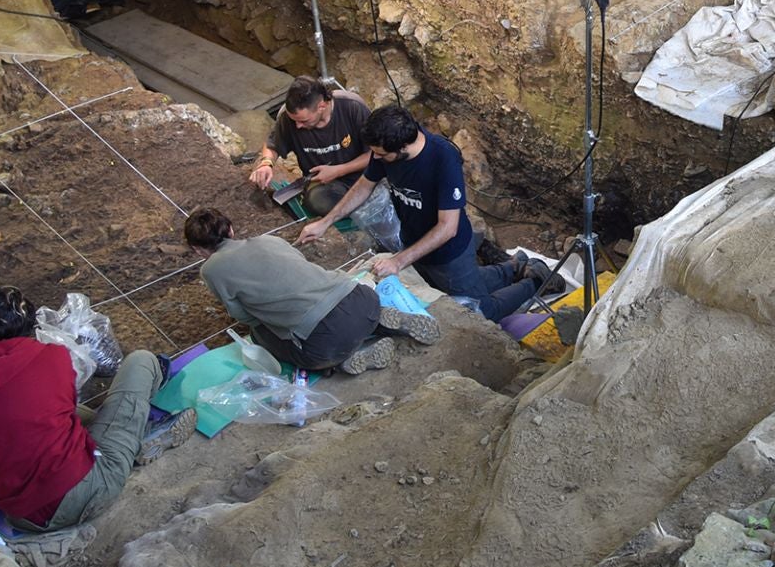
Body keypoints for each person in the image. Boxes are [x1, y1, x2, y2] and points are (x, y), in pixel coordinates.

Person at [0, 285, 187, 533]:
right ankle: (141, 435)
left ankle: (131, 439)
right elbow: (67, 411)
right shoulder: (53, 356)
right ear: (32, 322)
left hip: (25, 519)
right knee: (142, 361)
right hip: (91, 490)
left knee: (51, 419)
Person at [297, 106, 544, 322]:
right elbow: (364, 185)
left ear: (403, 147)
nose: (377, 159)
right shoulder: (385, 149)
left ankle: (538, 280)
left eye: (382, 155)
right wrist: (325, 222)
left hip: (449, 252)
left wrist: (398, 261)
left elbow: (448, 227)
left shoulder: (443, 158)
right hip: (414, 241)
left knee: (479, 310)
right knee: (451, 288)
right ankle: (515, 267)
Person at [184, 206, 440, 374]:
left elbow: (243, 316)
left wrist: (270, 317)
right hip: (361, 299)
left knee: (260, 333)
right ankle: (379, 322)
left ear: (198, 250)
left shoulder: (211, 270)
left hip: (324, 341)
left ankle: (342, 361)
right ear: (231, 229)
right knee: (343, 313)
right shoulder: (269, 240)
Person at [249, 76, 401, 249]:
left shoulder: (352, 107)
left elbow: (376, 154)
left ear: (322, 106)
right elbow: (272, 145)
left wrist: (339, 170)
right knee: (317, 201)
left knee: (388, 206)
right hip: (324, 184)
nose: (297, 126)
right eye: (295, 121)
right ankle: (355, 214)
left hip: (364, 177)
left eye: (303, 121)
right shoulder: (289, 118)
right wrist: (266, 163)